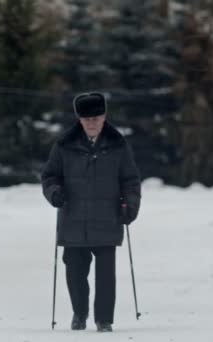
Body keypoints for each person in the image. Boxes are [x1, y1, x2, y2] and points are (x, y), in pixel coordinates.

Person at [42, 92, 141, 332]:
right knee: (74, 271)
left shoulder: (118, 144)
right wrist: (54, 192)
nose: (92, 123)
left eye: (96, 117)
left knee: (106, 274)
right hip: (73, 217)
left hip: (108, 216)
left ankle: (104, 319)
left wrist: (130, 205)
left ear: (104, 116)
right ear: (79, 120)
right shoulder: (64, 144)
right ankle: (80, 312)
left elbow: (130, 179)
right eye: (87, 119)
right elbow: (50, 176)